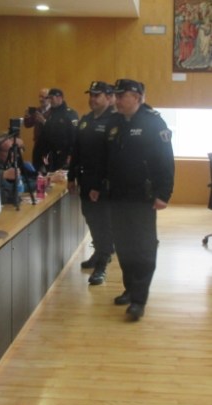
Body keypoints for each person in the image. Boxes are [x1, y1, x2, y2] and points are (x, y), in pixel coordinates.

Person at [104, 79, 174, 321]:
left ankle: (139, 300)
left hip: (142, 197)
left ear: (136, 97)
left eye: (121, 95)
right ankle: (131, 288)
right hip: (118, 196)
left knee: (143, 248)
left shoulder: (154, 122)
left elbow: (166, 161)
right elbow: (107, 159)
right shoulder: (115, 122)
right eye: (115, 95)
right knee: (124, 246)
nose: (116, 100)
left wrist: (164, 194)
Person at [68, 81, 115, 285]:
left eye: (97, 95)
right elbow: (76, 151)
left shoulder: (114, 121)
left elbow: (111, 158)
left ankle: (102, 264)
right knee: (91, 218)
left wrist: (99, 185)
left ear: (109, 97)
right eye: (91, 95)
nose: (92, 99)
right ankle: (98, 253)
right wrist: (71, 177)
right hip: (85, 180)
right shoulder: (86, 120)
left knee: (103, 223)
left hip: (103, 183)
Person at [36, 88, 78, 172]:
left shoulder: (69, 114)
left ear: (59, 98)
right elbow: (47, 134)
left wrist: (71, 154)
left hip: (64, 154)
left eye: (52, 98)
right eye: (49, 98)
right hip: (51, 155)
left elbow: (74, 136)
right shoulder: (51, 114)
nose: (50, 101)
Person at [23, 88, 51, 168]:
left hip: (49, 145)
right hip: (37, 143)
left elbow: (56, 128)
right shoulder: (37, 110)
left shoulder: (54, 111)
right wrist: (27, 117)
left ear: (49, 98)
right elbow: (28, 125)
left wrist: (44, 121)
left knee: (48, 167)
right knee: (36, 166)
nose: (41, 99)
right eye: (40, 97)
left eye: (43, 97)